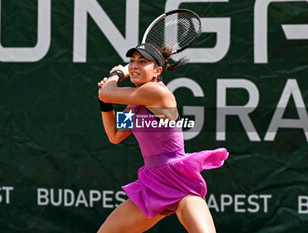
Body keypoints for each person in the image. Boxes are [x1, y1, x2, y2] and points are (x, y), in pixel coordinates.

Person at [97, 43, 228, 233]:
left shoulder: (156, 92)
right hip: (153, 182)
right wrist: (104, 103)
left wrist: (117, 74)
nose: (134, 65)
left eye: (142, 62)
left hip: (178, 178)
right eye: (132, 61)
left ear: (157, 71)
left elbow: (108, 92)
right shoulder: (134, 105)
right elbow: (115, 135)